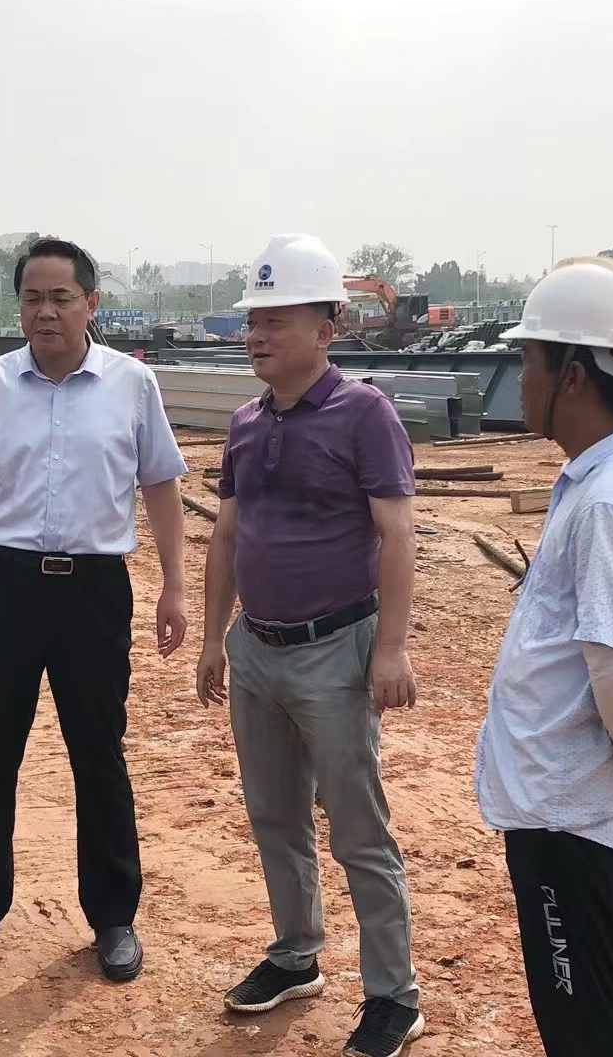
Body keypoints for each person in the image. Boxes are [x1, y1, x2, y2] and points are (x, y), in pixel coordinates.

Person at [0, 238, 187, 984]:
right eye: (32, 299)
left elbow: (161, 485)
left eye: (61, 298)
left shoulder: (132, 384)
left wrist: (174, 585)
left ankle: (113, 917)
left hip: (94, 591)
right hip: (7, 584)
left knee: (98, 752)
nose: (45, 312)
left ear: (91, 303)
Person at [195, 234, 424, 1057]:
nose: (256, 335)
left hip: (336, 649)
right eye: (252, 321)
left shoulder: (365, 414)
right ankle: (296, 953)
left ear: (326, 329)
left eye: (276, 321)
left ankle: (394, 995)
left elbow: (397, 534)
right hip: (257, 648)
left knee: (358, 828)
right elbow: (228, 535)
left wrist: (389, 648)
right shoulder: (246, 421)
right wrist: (216, 638)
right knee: (275, 815)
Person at [472, 257, 613, 1057]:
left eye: (529, 360)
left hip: (569, 806)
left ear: (572, 375)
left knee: (583, 1014)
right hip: (568, 796)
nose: (519, 379)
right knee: (611, 994)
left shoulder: (610, 499)